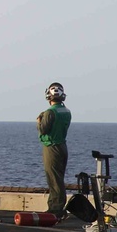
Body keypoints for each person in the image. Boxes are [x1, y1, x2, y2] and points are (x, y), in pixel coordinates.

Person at [37, 82, 72, 217]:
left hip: (51, 147)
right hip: (62, 146)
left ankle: (56, 208)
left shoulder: (50, 112)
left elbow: (43, 129)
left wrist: (40, 120)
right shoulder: (66, 111)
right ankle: (56, 206)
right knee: (59, 177)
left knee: (53, 178)